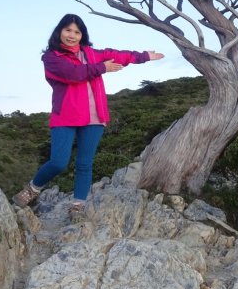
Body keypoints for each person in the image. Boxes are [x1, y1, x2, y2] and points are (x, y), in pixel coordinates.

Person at [12, 13, 164, 221]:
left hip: (94, 118)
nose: (72, 35)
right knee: (58, 162)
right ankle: (32, 188)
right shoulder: (52, 58)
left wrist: (143, 56)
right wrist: (103, 68)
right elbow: (73, 74)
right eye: (68, 30)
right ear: (59, 32)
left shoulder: (91, 54)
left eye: (77, 31)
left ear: (82, 35)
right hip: (65, 116)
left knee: (85, 163)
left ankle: (78, 205)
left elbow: (116, 54)